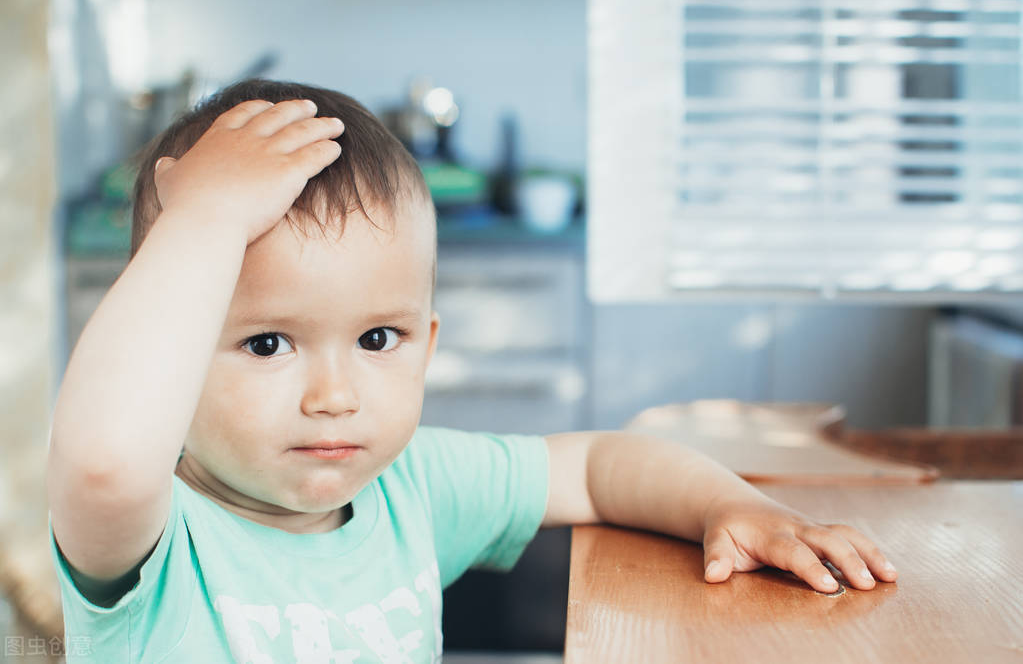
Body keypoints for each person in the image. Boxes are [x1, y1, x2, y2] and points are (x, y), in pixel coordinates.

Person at [47, 79, 897, 663]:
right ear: (174, 354)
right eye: (268, 344)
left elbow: (600, 467)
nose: (334, 397)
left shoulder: (409, 487)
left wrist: (735, 506)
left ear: (429, 336)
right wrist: (203, 221)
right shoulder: (154, 541)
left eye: (379, 339)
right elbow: (103, 461)